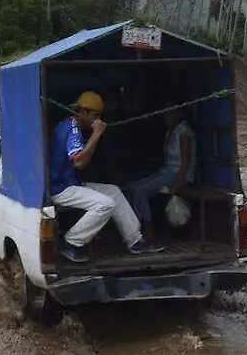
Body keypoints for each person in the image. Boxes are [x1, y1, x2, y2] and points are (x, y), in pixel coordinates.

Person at [50, 91, 164, 263]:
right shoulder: (72, 128)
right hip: (61, 188)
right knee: (105, 204)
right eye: (94, 115)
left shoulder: (71, 125)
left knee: (113, 191)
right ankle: (72, 242)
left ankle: (135, 241)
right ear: (84, 112)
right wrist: (96, 134)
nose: (97, 120)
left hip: (72, 183)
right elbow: (79, 163)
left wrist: (94, 135)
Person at [128, 109, 196, 237]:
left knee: (140, 191)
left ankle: (148, 229)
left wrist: (177, 186)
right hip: (167, 172)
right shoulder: (172, 131)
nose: (166, 117)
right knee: (132, 187)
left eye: (169, 114)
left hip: (178, 175)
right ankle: (134, 226)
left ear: (178, 114)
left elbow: (185, 162)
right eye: (165, 114)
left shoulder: (184, 132)